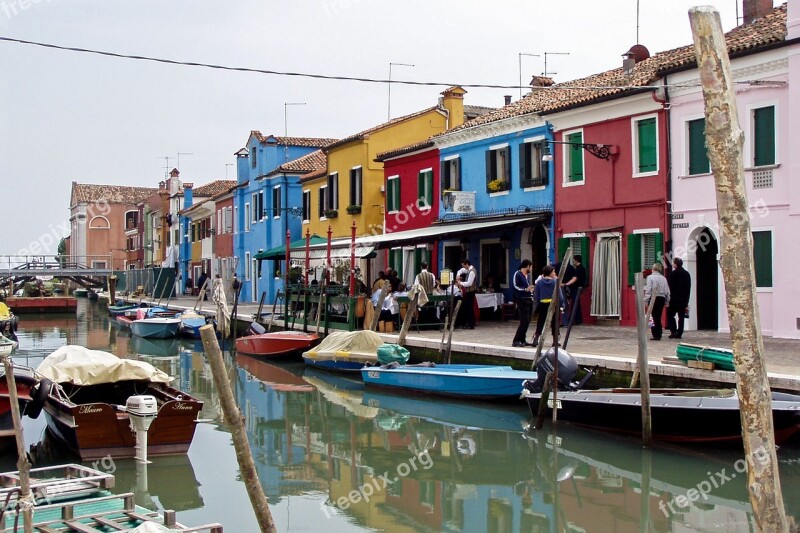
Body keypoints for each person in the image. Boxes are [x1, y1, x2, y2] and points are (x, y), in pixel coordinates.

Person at [531, 265, 565, 347]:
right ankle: (555, 341)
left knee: (541, 322)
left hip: (543, 304)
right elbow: (559, 295)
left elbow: (536, 296)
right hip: (553, 304)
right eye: (553, 271)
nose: (554, 273)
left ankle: (536, 338)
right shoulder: (555, 282)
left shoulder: (539, 283)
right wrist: (562, 305)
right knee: (555, 322)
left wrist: (536, 307)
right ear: (549, 273)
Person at [511, 259, 535, 347]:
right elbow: (515, 286)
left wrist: (531, 291)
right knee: (524, 321)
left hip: (528, 299)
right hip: (521, 299)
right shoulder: (517, 274)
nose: (531, 268)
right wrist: (525, 290)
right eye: (531, 266)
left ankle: (522, 339)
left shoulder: (527, 276)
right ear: (527, 266)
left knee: (528, 320)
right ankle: (516, 340)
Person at [644, 262, 670, 341]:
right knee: (658, 316)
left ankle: (656, 333)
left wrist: (646, 300)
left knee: (653, 316)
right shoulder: (664, 278)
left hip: (654, 298)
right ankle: (659, 332)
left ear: (653, 269)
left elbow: (648, 290)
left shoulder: (650, 278)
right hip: (661, 298)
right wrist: (667, 301)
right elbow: (667, 291)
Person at [667, 257, 691, 339]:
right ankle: (679, 332)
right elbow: (688, 288)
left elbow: (670, 286)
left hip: (674, 299)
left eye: (673, 263)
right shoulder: (686, 274)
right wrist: (687, 300)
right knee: (681, 317)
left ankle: (673, 331)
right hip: (683, 299)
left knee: (670, 315)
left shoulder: (673, 274)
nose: (672, 264)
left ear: (676, 264)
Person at [562, 255, 586, 325]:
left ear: (576, 260)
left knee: (575, 304)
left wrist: (566, 284)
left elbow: (575, 279)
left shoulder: (579, 269)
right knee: (575, 304)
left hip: (576, 289)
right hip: (576, 289)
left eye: (574, 260)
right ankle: (576, 320)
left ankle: (575, 320)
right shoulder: (579, 268)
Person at [456, 258, 477, 329]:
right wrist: (458, 274)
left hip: (471, 291)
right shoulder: (468, 270)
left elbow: (469, 283)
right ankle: (469, 322)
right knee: (467, 307)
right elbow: (461, 270)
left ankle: (471, 324)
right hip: (468, 291)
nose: (464, 267)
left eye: (464, 266)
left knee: (469, 307)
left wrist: (460, 283)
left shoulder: (472, 272)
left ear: (467, 264)